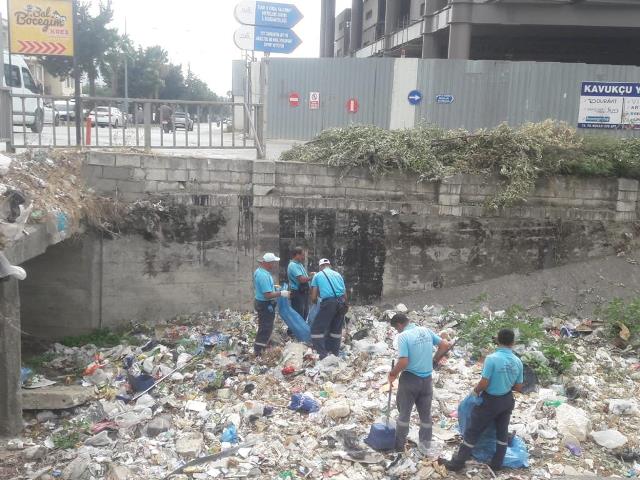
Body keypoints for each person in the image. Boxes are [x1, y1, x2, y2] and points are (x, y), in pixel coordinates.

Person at [440, 328, 524, 472]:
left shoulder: (492, 359)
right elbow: (518, 387)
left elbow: (484, 382)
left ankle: (457, 463)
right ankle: (497, 464)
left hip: (490, 401)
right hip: (507, 400)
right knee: (502, 432)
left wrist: (474, 392)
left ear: (497, 340)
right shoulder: (517, 362)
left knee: (473, 431)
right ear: (513, 342)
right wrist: (505, 383)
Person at [388, 313, 451, 454]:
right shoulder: (425, 330)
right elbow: (445, 345)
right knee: (425, 415)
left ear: (399, 325)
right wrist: (434, 361)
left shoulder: (403, 336)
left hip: (410, 379)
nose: (398, 331)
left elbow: (404, 361)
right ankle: (425, 446)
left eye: (397, 329)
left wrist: (393, 374)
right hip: (427, 380)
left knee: (404, 414)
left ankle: (399, 447)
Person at [253, 252, 289, 356]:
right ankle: (259, 351)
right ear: (268, 263)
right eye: (273, 263)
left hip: (261, 303)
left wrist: (274, 287)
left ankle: (260, 348)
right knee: (265, 328)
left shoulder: (260, 271)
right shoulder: (263, 275)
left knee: (265, 327)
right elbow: (267, 295)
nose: (274, 265)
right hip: (265, 305)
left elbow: (266, 288)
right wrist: (282, 293)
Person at [309, 258, 346, 358]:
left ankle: (323, 354)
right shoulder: (338, 275)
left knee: (316, 330)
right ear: (329, 265)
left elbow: (313, 297)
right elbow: (345, 295)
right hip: (341, 303)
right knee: (336, 330)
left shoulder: (317, 276)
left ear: (320, 266)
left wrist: (316, 304)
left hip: (329, 303)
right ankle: (334, 354)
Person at [287, 247, 314, 320]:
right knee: (299, 313)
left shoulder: (299, 264)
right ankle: (294, 331)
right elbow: (301, 279)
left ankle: (301, 330)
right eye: (302, 255)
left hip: (303, 292)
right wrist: (312, 277)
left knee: (305, 312)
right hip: (297, 293)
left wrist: (309, 275)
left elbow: (303, 276)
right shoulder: (293, 265)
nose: (303, 257)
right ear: (297, 255)